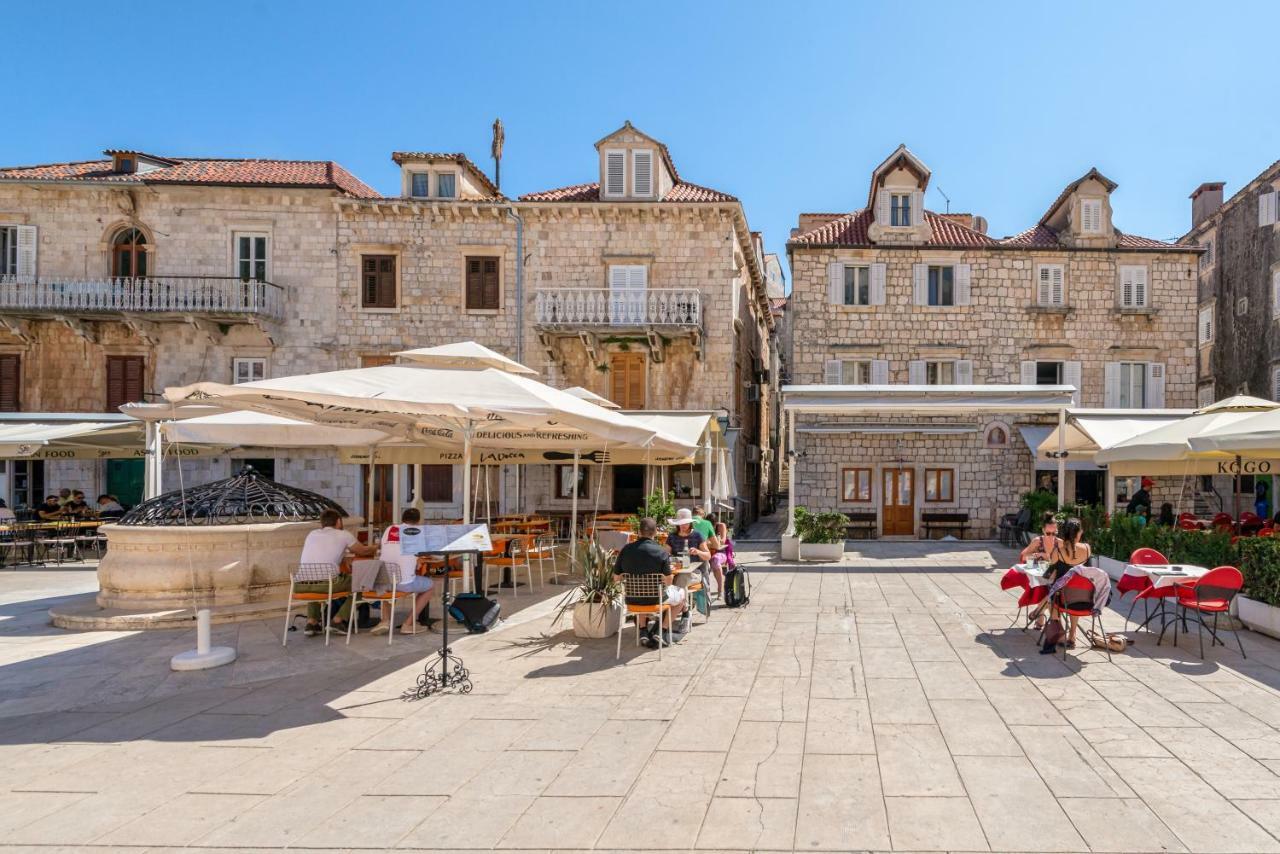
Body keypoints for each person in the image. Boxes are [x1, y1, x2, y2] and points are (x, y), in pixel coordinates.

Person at [296, 508, 377, 637]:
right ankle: (338, 620)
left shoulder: (312, 534)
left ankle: (312, 623)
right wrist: (377, 546)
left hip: (300, 585)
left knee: (315, 580)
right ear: (338, 521)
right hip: (327, 584)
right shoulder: (343, 534)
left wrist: (343, 557)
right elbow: (363, 551)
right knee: (363, 583)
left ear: (322, 523)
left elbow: (322, 552)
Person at [615, 516, 686, 648]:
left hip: (631, 600)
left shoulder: (625, 550)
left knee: (640, 590)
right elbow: (669, 581)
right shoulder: (661, 552)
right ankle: (662, 630)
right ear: (655, 533)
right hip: (655, 600)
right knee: (682, 595)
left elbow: (616, 578)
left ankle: (643, 630)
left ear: (638, 532)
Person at [371, 508, 438, 636]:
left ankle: (385, 620)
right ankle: (408, 624)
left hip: (383, 581)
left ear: (402, 519)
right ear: (418, 521)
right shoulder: (417, 532)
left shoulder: (389, 529)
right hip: (405, 583)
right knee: (430, 586)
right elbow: (429, 551)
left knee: (389, 583)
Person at [1042, 518, 1093, 651]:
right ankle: (1073, 635)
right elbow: (1089, 572)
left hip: (1062, 598)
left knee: (1051, 595)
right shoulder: (1087, 549)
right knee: (1074, 592)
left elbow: (1049, 575)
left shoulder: (1058, 552)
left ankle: (1061, 634)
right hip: (1084, 598)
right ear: (1079, 533)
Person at [707, 515, 735, 598]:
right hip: (708, 552)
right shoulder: (705, 526)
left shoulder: (721, 526)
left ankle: (720, 589)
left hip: (721, 552)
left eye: (713, 525)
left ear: (716, 523)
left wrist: (711, 542)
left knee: (715, 561)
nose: (711, 527)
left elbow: (722, 541)